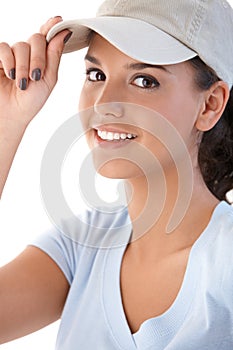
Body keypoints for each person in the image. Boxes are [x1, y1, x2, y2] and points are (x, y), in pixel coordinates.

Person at [0, 0, 233, 349]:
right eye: (96, 75)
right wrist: (6, 122)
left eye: (144, 80)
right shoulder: (81, 245)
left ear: (210, 104)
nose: (103, 103)